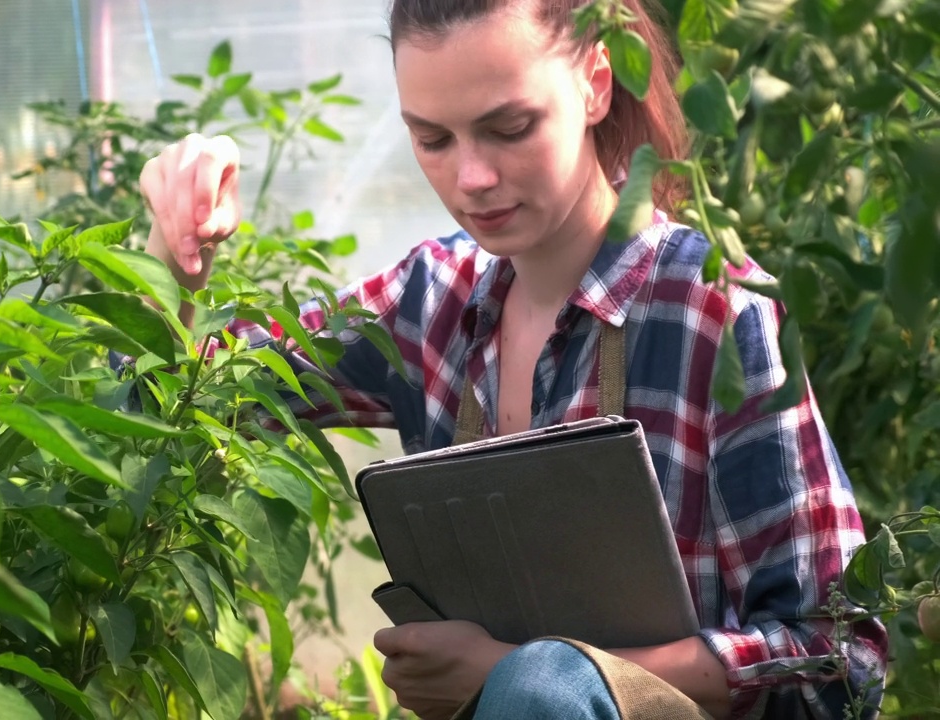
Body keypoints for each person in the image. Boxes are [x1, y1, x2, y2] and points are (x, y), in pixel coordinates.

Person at [136, 0, 888, 717]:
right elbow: (195, 395)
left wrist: (513, 669)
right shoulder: (429, 304)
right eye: (433, 139)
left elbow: (837, 655)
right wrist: (174, 252)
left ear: (595, 84)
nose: (472, 178)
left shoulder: (713, 310)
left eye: (509, 127)